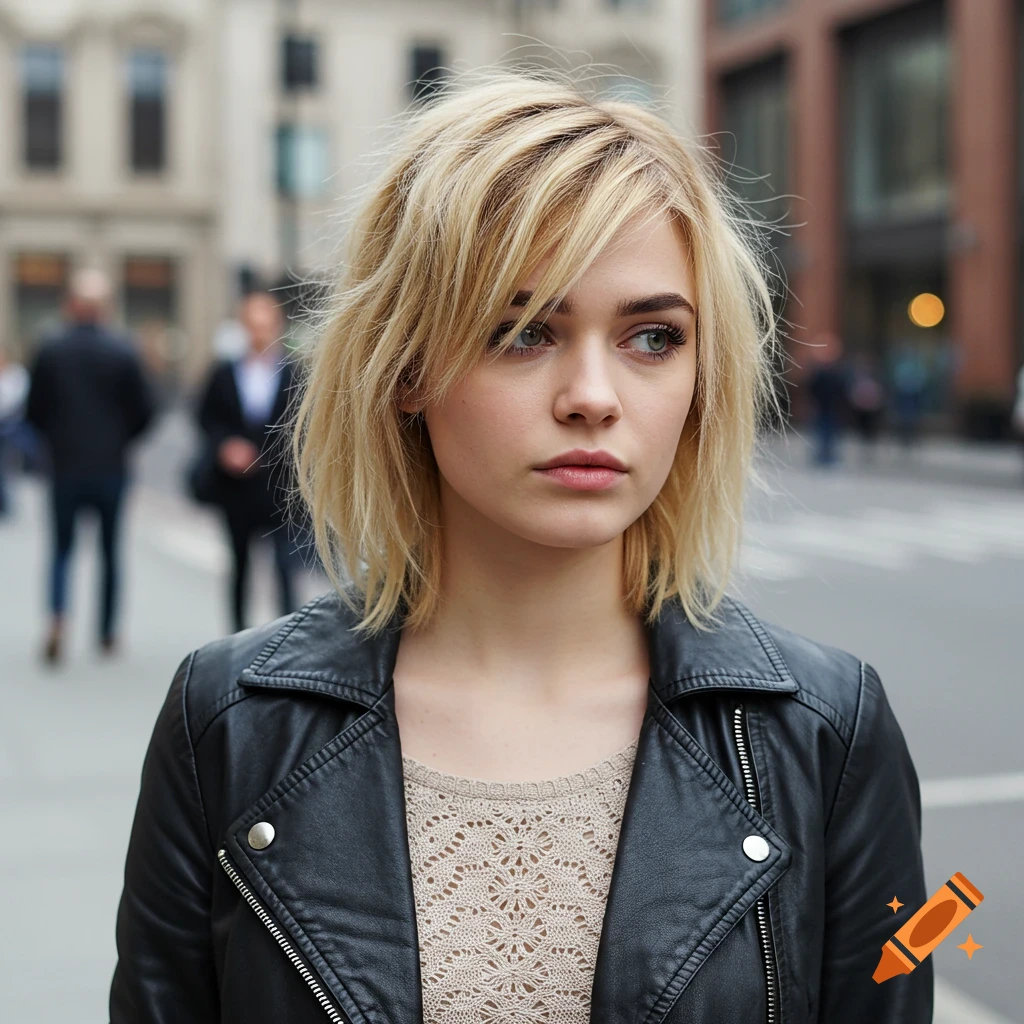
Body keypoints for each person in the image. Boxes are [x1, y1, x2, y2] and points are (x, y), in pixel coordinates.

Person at [110, 69, 932, 1023]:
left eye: (654, 337)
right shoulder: (228, 724)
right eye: (523, 331)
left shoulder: (826, 733)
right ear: (406, 366)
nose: (594, 394)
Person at [25, 268, 156, 663]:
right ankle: (106, 631)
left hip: (65, 465)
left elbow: (34, 411)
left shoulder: (50, 350)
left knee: (62, 548)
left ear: (71, 305)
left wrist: (56, 439)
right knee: (110, 551)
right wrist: (120, 439)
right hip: (110, 467)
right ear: (106, 308)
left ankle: (58, 618)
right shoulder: (123, 351)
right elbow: (145, 411)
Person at [194, 290, 301, 633]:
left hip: (280, 486)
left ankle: (290, 634)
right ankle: (238, 634)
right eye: (252, 326)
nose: (259, 333)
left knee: (285, 566)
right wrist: (225, 446)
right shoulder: (224, 373)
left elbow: (304, 426)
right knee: (239, 564)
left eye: (266, 326)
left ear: (277, 327)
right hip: (236, 487)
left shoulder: (295, 374)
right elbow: (206, 418)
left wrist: (267, 456)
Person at [805, 331, 849, 467]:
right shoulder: (818, 371)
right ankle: (821, 456)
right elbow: (811, 388)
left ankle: (828, 456)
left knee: (830, 433)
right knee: (821, 432)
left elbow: (842, 388)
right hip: (821, 407)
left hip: (833, 408)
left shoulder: (836, 370)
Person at [0, 347, 30, 517]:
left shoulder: (15, 375)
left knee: (6, 466)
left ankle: (5, 503)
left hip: (9, 427)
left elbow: (13, 401)